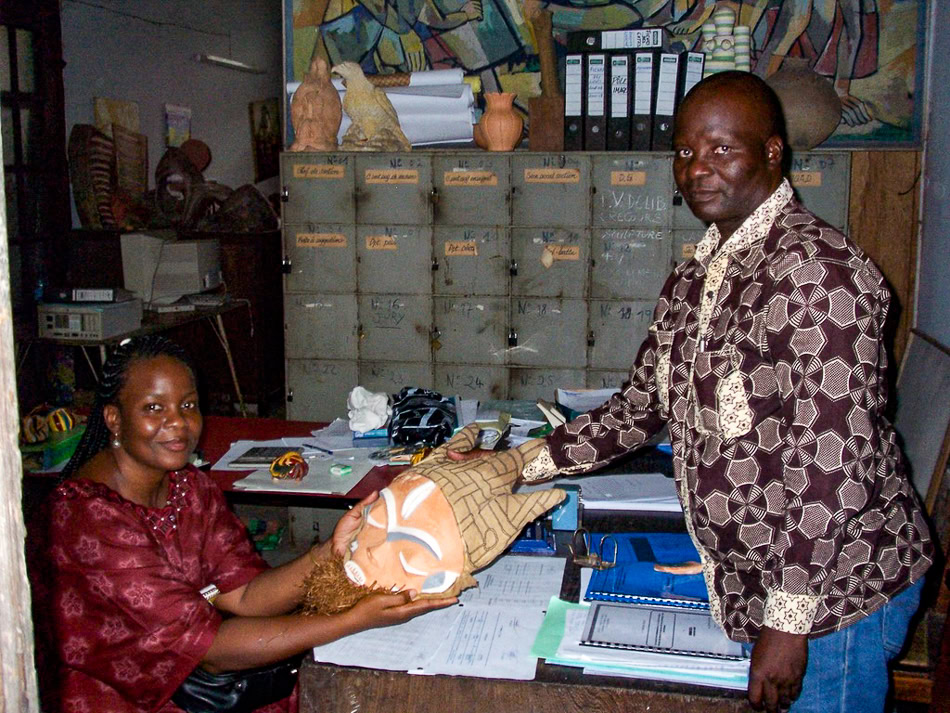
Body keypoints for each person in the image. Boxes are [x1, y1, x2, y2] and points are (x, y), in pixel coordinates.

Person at [455, 71, 934, 713]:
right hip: (758, 575)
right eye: (684, 152)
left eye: (720, 150)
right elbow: (638, 408)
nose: (696, 170)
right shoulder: (697, 273)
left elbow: (832, 466)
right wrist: (515, 465)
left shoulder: (819, 276)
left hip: (834, 587)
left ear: (772, 153)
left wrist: (789, 624)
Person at [30, 335, 455, 713]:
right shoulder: (85, 520)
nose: (178, 422)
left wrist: (328, 552)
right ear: (113, 419)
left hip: (202, 686)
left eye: (188, 405)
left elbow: (246, 594)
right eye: (153, 408)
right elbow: (210, 650)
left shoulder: (188, 488)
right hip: (130, 697)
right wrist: (355, 619)